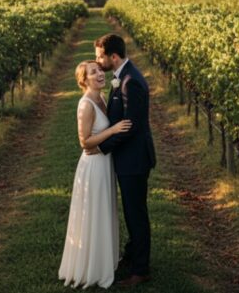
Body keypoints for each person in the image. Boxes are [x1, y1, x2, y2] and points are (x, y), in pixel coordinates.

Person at [58, 60, 132, 289]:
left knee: (104, 211)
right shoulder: (86, 105)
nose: (100, 73)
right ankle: (91, 267)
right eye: (93, 72)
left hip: (104, 163)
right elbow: (84, 142)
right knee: (93, 212)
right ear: (84, 80)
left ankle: (104, 261)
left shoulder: (101, 98)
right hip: (93, 166)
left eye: (100, 70)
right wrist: (112, 129)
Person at [93, 33, 156, 287]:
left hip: (135, 160)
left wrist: (102, 146)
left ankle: (140, 271)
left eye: (100, 56)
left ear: (114, 57)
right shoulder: (122, 77)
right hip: (128, 159)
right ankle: (132, 257)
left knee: (136, 214)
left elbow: (131, 126)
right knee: (132, 212)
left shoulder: (131, 82)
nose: (98, 62)